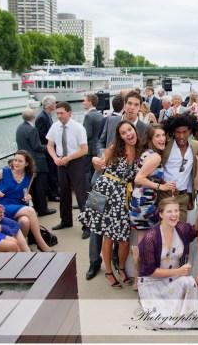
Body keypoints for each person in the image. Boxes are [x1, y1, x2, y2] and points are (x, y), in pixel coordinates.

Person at [80, 120, 139, 288]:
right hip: (104, 190)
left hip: (123, 195)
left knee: (123, 239)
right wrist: (94, 160)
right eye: (124, 132)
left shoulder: (141, 150)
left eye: (130, 130)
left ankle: (120, 267)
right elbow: (99, 164)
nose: (128, 134)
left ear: (134, 130)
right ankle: (108, 272)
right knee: (107, 235)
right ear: (120, 137)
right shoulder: (115, 148)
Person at [137, 198, 198, 328]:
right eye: (169, 211)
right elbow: (150, 271)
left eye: (176, 210)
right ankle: (147, 301)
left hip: (173, 280)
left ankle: (177, 308)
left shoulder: (182, 228)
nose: (174, 214)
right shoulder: (150, 238)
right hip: (152, 283)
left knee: (189, 282)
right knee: (161, 321)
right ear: (161, 214)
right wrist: (178, 271)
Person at [0, 151, 54, 252]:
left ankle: (22, 247)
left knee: (25, 221)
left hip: (19, 205)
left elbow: (26, 192)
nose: (16, 163)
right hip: (4, 205)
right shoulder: (5, 172)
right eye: (15, 160)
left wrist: (28, 196)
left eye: (20, 161)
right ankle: (42, 245)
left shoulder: (29, 176)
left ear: (26, 164)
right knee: (30, 211)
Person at [129, 125, 172, 287]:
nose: (162, 139)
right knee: (146, 243)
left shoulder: (148, 154)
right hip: (145, 204)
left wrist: (162, 182)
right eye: (157, 136)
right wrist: (161, 187)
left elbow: (148, 176)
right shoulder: (156, 157)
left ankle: (138, 279)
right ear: (151, 139)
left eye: (163, 135)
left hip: (139, 201)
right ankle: (142, 279)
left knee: (142, 242)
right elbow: (139, 179)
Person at [46, 102, 89, 232]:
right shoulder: (55, 126)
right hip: (60, 162)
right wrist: (55, 158)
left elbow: (84, 150)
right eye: (57, 113)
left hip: (76, 162)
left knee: (81, 194)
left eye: (62, 113)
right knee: (64, 192)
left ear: (69, 113)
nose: (59, 116)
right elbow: (49, 145)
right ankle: (66, 221)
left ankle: (87, 226)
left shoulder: (78, 128)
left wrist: (68, 158)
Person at [158, 113, 198, 223]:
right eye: (178, 132)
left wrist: (191, 195)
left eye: (184, 132)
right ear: (173, 132)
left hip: (183, 197)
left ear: (190, 131)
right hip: (165, 195)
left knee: (180, 233)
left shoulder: (196, 146)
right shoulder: (166, 145)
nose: (181, 136)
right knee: (166, 230)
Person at [15, 108, 54, 216]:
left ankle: (37, 207)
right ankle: (43, 209)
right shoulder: (32, 129)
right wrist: (49, 147)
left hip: (27, 160)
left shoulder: (20, 128)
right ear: (33, 117)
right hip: (37, 161)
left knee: (34, 186)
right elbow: (37, 146)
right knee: (40, 187)